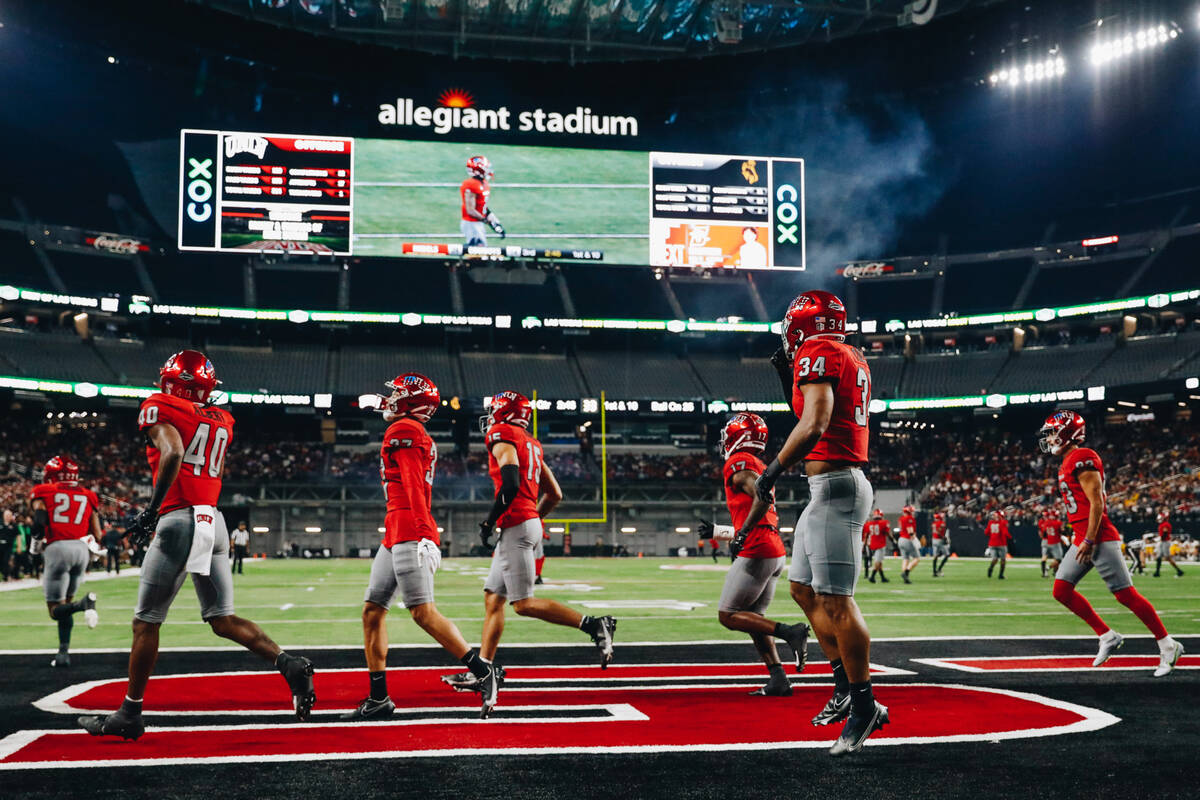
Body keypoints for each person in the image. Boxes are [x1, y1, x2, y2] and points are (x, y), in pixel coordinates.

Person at [79, 350, 316, 741]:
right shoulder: (223, 417)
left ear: (172, 382)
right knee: (223, 620)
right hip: (213, 521)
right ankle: (288, 663)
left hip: (179, 519)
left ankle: (129, 714)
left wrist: (152, 511)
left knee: (145, 623)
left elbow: (172, 452)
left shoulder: (160, 405)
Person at [743, 290, 885, 757]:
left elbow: (816, 422)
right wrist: (790, 378)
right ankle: (845, 684)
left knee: (838, 602)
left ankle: (865, 704)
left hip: (838, 486)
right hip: (828, 488)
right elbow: (813, 412)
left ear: (803, 324)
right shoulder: (846, 351)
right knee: (802, 590)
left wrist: (771, 470)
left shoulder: (819, 349)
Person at [443, 391, 616, 717]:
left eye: (494, 410)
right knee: (493, 599)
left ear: (503, 413)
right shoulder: (531, 443)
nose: (491, 417)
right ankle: (483, 669)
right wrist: (532, 518)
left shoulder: (502, 434)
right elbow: (555, 493)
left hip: (517, 525)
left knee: (522, 604)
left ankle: (594, 625)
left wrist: (489, 521)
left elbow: (509, 483)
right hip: (527, 522)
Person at [342, 373, 496, 721]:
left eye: (398, 393)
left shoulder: (404, 430)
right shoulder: (409, 428)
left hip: (410, 527)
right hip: (397, 529)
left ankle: (484, 672)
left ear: (411, 401)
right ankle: (379, 698)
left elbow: (412, 485)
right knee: (372, 610)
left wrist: (424, 533)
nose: (392, 397)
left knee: (422, 612)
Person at [1038, 410, 1183, 677]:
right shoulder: (1069, 460)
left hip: (1098, 537)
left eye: (1051, 432)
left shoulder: (1082, 457)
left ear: (1067, 432)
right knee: (1061, 590)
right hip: (1083, 537)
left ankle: (1167, 644)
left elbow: (1097, 502)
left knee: (1125, 595)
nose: (1048, 438)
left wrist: (1090, 539)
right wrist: (1081, 537)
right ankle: (1107, 636)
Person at [697, 413, 809, 696]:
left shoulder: (738, 462)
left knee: (729, 615)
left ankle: (789, 632)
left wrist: (743, 534)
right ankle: (778, 678)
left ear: (737, 436)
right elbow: (760, 510)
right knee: (753, 619)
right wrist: (722, 532)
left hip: (757, 548)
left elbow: (761, 498)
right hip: (773, 549)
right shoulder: (759, 463)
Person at [29, 457, 100, 667]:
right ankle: (63, 653)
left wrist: (34, 549)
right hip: (81, 550)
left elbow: (39, 523)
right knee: (66, 606)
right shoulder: (88, 495)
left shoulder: (44, 491)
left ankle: (84, 604)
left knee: (55, 610)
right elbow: (96, 532)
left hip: (57, 548)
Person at [460, 155, 504, 247]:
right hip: (471, 223)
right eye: (486, 167)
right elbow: (470, 210)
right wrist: (486, 220)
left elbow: (483, 207)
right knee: (478, 251)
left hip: (478, 222)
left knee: (479, 251)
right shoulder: (470, 184)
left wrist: (496, 223)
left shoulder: (484, 183)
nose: (488, 169)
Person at [863, 509, 892, 584]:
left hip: (872, 545)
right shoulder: (884, 523)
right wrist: (893, 540)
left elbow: (866, 536)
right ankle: (872, 577)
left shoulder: (869, 524)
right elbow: (887, 533)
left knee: (879, 561)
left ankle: (883, 578)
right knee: (878, 561)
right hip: (880, 544)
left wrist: (864, 546)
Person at [1154, 510, 1184, 578]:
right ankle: (1157, 572)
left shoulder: (1165, 524)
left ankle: (1179, 571)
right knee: (1158, 557)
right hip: (1163, 541)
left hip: (1165, 542)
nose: (1158, 519)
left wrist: (1160, 538)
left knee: (1167, 557)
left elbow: (1165, 532)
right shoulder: (1163, 524)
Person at [1037, 507, 1065, 579]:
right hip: (1054, 542)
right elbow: (1062, 530)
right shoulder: (1058, 523)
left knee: (1046, 557)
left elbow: (1042, 532)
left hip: (1048, 541)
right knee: (1058, 559)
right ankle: (1047, 568)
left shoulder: (1045, 523)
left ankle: (1053, 572)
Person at [896, 505, 919, 583]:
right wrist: (915, 540)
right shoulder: (909, 518)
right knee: (917, 558)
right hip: (907, 539)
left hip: (901, 539)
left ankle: (905, 578)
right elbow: (910, 531)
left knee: (905, 559)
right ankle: (906, 572)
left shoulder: (901, 518)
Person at [985, 510, 1012, 579]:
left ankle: (990, 569)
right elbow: (1005, 532)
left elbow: (986, 532)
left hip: (992, 543)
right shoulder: (1002, 522)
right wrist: (1010, 537)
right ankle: (1001, 575)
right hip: (1001, 543)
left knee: (995, 559)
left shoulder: (990, 523)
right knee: (1003, 560)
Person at [930, 511, 951, 577]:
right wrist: (944, 538)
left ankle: (934, 572)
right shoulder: (942, 523)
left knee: (935, 556)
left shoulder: (933, 523)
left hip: (934, 540)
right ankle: (939, 569)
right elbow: (939, 531)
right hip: (939, 540)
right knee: (947, 555)